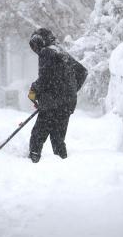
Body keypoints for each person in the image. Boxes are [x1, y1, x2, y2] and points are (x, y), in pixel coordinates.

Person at [26, 28, 87, 163]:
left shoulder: (46, 52)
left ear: (40, 41)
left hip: (51, 104)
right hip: (66, 105)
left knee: (37, 135)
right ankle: (62, 164)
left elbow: (45, 78)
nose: (35, 50)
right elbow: (82, 72)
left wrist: (33, 90)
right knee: (57, 138)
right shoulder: (61, 52)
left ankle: (32, 162)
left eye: (35, 46)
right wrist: (69, 91)